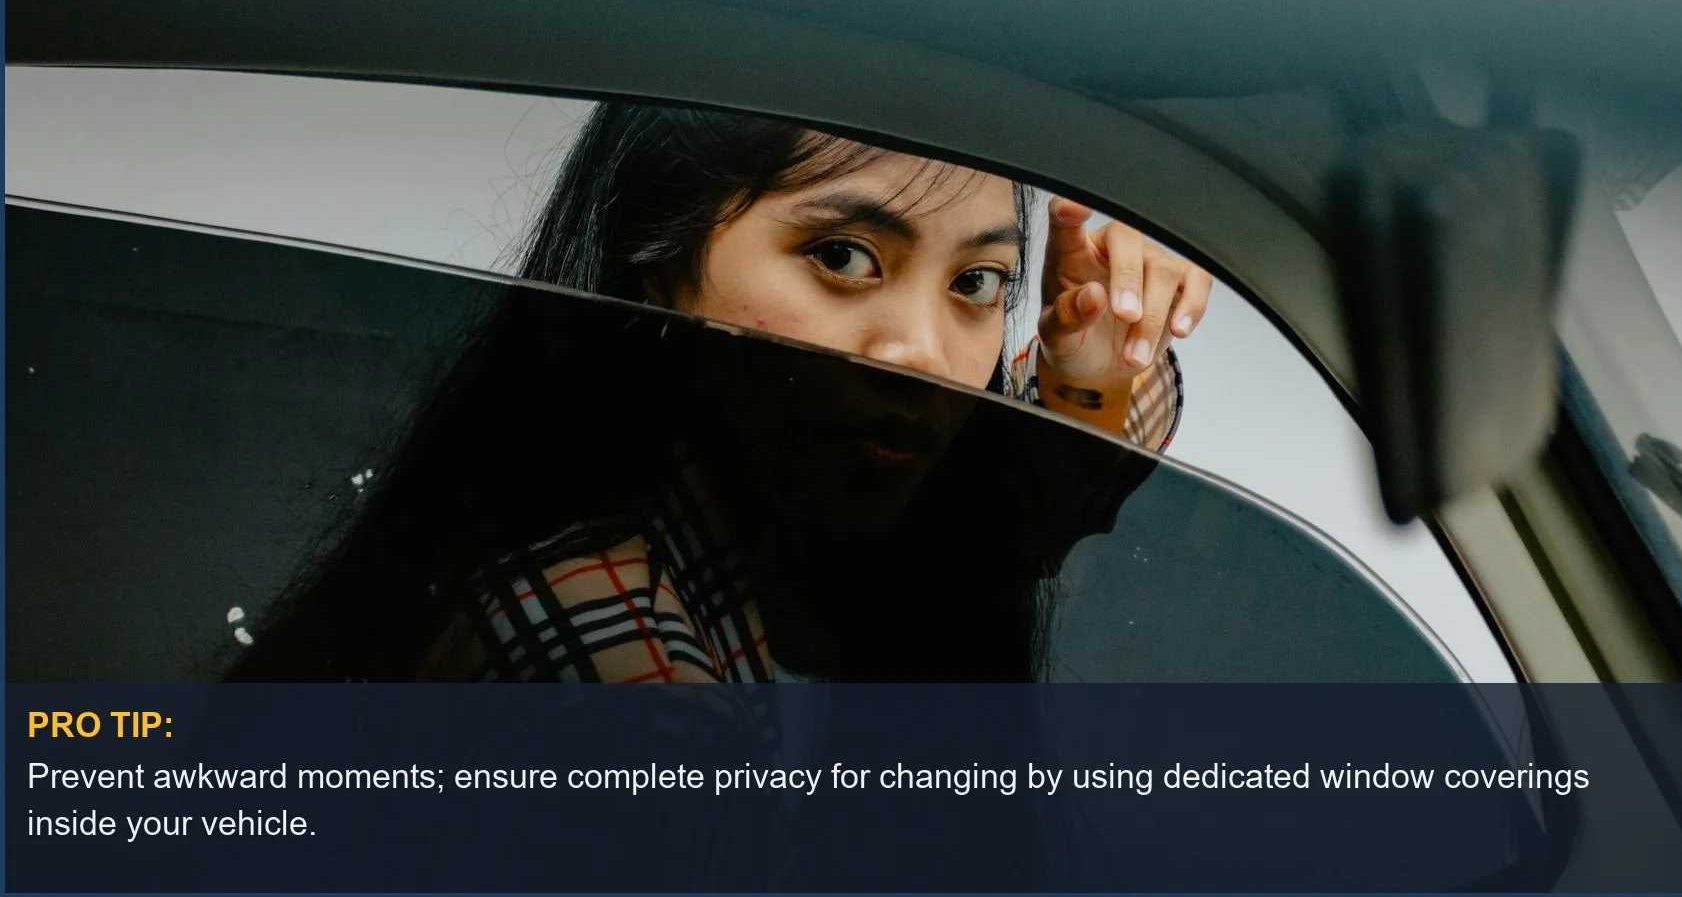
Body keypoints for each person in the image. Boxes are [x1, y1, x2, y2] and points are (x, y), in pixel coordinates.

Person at [223, 103, 1211, 683]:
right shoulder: (613, 661)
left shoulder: (810, 521)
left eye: (977, 282)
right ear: (659, 261)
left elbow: (1025, 499)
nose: (918, 353)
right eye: (842, 256)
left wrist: (1101, 344)